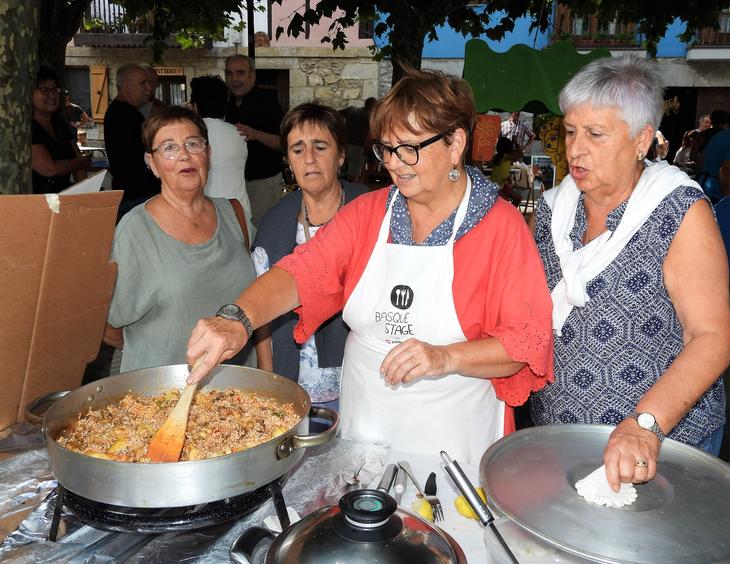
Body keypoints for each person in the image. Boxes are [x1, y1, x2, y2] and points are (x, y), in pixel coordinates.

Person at [186, 68, 554, 465]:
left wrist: (444, 357)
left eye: (409, 148)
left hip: (453, 437)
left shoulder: (500, 227)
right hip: (366, 425)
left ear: (455, 143)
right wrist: (237, 318)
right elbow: (301, 271)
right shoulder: (369, 214)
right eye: (387, 149)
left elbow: (526, 341)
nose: (396, 164)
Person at [530, 56, 730, 492]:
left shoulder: (677, 212)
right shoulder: (552, 212)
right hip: (562, 438)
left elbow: (711, 337)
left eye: (596, 134)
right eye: (570, 131)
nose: (575, 149)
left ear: (642, 139)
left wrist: (646, 425)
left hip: (661, 447)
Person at [103, 106, 256, 373]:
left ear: (207, 153)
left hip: (239, 392)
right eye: (169, 148)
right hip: (166, 395)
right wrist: (153, 359)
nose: (184, 155)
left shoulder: (234, 214)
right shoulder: (135, 230)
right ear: (152, 163)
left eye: (193, 143)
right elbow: (105, 325)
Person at [252, 103, 368, 415]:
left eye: (320, 147)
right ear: (288, 160)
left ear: (341, 155)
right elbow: (262, 311)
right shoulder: (275, 222)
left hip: (361, 380)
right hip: (293, 384)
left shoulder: (369, 210)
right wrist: (268, 377)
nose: (310, 159)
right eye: (298, 149)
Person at [189, 74, 254, 244]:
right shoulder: (240, 134)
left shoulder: (189, 137)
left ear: (195, 106)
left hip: (206, 217)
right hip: (240, 214)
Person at [224, 54, 285, 229]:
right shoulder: (228, 103)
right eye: (230, 74)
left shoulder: (267, 102)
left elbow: (284, 143)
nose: (234, 79)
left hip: (262, 183)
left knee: (261, 232)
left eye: (240, 73)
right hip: (235, 184)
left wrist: (256, 134)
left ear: (252, 75)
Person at [104, 63, 160, 220]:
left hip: (134, 195)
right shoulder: (126, 115)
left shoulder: (123, 112)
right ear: (127, 85)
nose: (149, 88)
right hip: (136, 197)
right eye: (143, 83)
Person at [31, 66, 91, 194]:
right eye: (44, 90)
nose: (52, 95)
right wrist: (80, 163)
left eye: (55, 90)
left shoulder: (59, 123)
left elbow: (77, 156)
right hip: (35, 201)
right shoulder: (28, 127)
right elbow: (49, 169)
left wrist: (86, 196)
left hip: (63, 197)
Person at [341, 96, 376, 182]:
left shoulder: (352, 111)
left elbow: (337, 113)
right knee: (354, 171)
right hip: (358, 146)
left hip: (346, 144)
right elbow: (370, 135)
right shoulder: (369, 118)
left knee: (345, 168)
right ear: (373, 106)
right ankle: (354, 189)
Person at [489, 136, 526, 206]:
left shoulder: (496, 157)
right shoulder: (506, 156)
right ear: (509, 147)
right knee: (516, 199)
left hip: (496, 185)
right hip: (499, 187)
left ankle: (510, 211)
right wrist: (516, 143)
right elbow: (520, 154)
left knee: (516, 198)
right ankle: (512, 212)